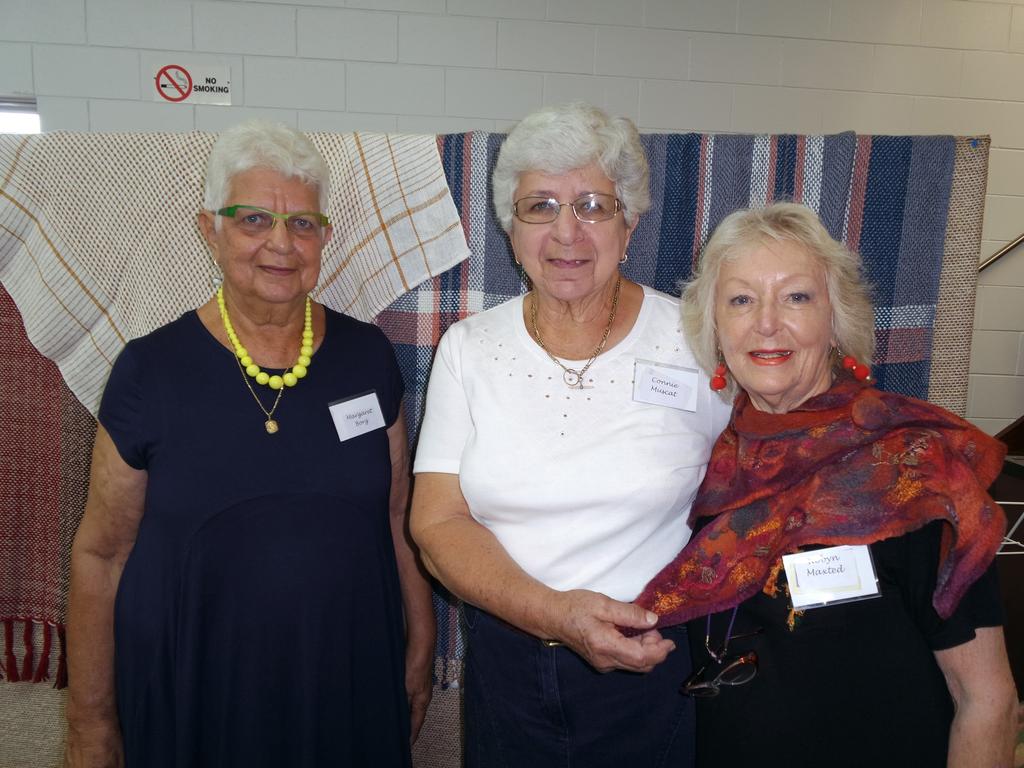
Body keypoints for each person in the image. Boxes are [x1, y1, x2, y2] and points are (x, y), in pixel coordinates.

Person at [64, 121, 435, 768]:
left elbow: (398, 515)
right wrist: (90, 725)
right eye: (253, 220)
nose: (281, 245)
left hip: (348, 675)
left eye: (302, 224)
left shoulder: (367, 357)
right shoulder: (150, 371)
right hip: (197, 685)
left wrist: (421, 646)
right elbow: (101, 556)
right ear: (210, 230)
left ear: (324, 237)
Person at [635, 202, 1019, 767]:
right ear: (715, 330)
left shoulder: (916, 468)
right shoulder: (717, 467)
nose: (767, 322)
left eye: (796, 297)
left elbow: (987, 701)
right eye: (741, 299)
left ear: (836, 321)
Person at [409, 102, 732, 767]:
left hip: (652, 666)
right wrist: (555, 615)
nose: (566, 232)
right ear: (509, 226)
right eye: (539, 206)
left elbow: (763, 485)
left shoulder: (699, 341)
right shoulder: (469, 349)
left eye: (592, 205)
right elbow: (438, 525)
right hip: (508, 665)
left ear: (629, 223)